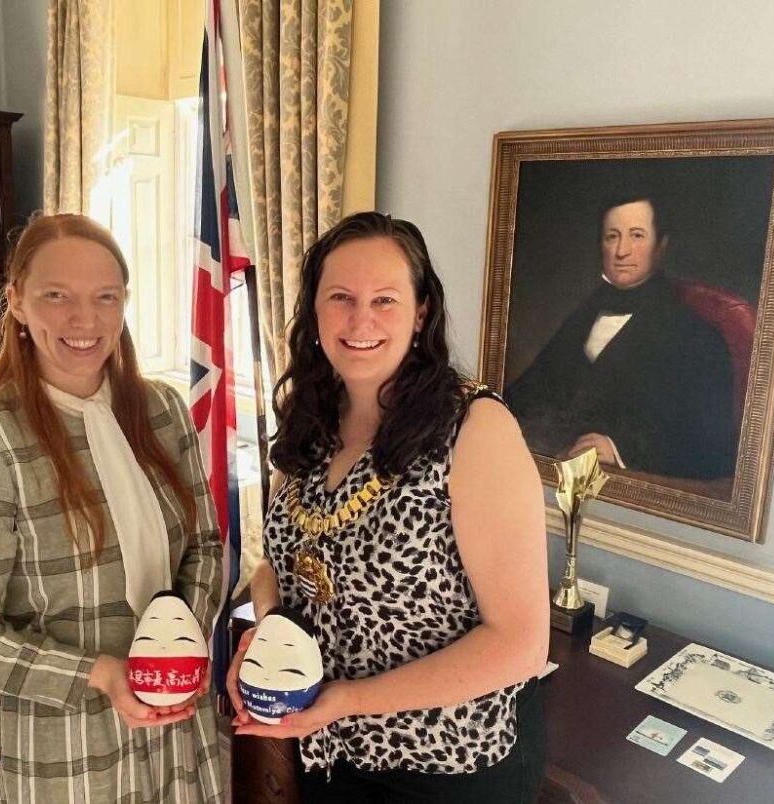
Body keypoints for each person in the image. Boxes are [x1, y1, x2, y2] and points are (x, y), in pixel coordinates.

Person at [227, 212, 549, 803]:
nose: (360, 320)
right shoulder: (310, 418)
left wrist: (347, 700)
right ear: (315, 309)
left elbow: (521, 646)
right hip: (327, 747)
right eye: (341, 297)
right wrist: (267, 637)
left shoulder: (474, 428)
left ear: (421, 311)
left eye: (385, 300)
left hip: (445, 767)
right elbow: (280, 563)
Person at [0, 213, 225, 803]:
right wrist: (104, 675)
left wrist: (183, 638)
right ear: (16, 301)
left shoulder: (163, 411)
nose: (84, 320)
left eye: (104, 297)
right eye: (56, 296)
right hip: (70, 745)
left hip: (181, 718)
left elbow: (206, 546)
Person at [504, 194, 738, 480]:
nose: (621, 251)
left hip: (625, 495)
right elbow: (526, 394)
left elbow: (714, 450)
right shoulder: (582, 317)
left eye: (637, 235)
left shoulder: (697, 338)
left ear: (660, 246)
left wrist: (619, 450)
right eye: (611, 237)